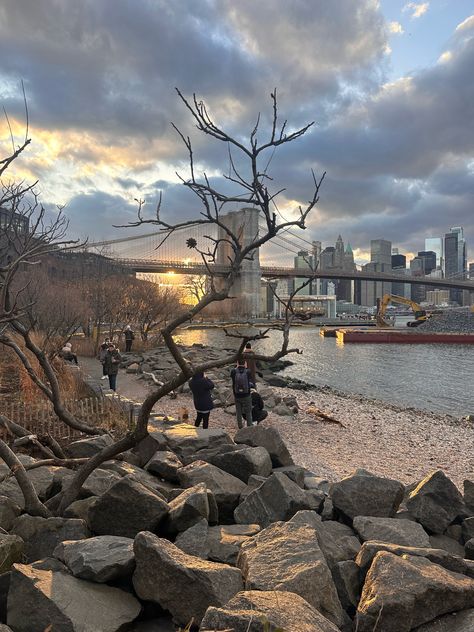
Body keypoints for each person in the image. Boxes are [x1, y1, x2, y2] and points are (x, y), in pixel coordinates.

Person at [231, 358, 255, 429]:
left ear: (237, 363)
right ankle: (249, 426)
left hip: (237, 394)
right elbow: (250, 381)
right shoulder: (248, 371)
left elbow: (233, 381)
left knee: (238, 411)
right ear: (245, 363)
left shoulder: (233, 371)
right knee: (248, 411)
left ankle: (240, 426)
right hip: (246, 395)